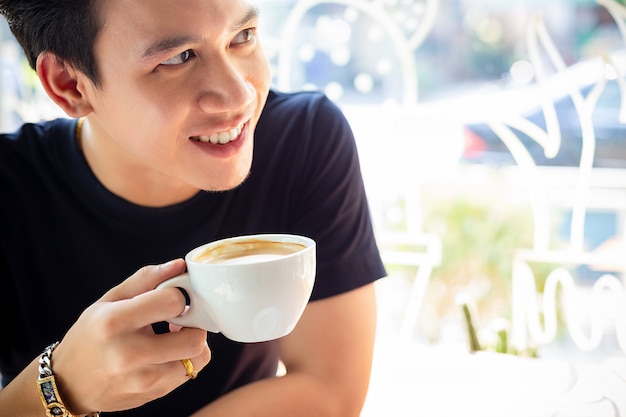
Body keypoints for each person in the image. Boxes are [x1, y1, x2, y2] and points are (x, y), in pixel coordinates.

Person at [0, 1, 386, 416]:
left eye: (243, 36)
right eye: (177, 58)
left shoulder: (303, 138)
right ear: (70, 84)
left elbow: (328, 389)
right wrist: (61, 386)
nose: (240, 95)